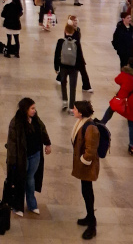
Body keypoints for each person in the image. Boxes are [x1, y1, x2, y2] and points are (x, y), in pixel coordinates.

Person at [6, 97, 52, 217]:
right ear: (25, 109)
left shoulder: (36, 119)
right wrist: (12, 161)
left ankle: (32, 204)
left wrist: (47, 143)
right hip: (22, 156)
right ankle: (18, 206)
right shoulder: (16, 122)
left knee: (30, 179)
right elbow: (12, 143)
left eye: (34, 108)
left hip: (35, 154)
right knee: (20, 179)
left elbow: (43, 130)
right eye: (32, 108)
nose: (34, 111)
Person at [71, 101, 100, 240]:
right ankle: (89, 217)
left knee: (88, 192)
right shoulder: (82, 122)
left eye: (75, 109)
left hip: (87, 166)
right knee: (85, 190)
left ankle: (92, 224)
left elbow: (91, 150)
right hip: (84, 165)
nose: (73, 110)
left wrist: (83, 160)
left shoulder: (90, 128)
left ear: (81, 112)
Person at [98, 56, 133, 155]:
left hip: (121, 99)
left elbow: (117, 80)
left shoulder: (125, 74)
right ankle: (131, 145)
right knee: (131, 124)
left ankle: (102, 123)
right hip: (131, 102)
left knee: (110, 109)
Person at [54, 24, 80, 113]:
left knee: (63, 83)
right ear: (73, 32)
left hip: (63, 66)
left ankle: (65, 101)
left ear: (65, 31)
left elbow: (57, 54)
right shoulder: (76, 43)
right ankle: (71, 107)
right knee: (73, 87)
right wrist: (78, 67)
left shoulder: (60, 41)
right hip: (73, 68)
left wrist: (56, 67)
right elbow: (79, 56)